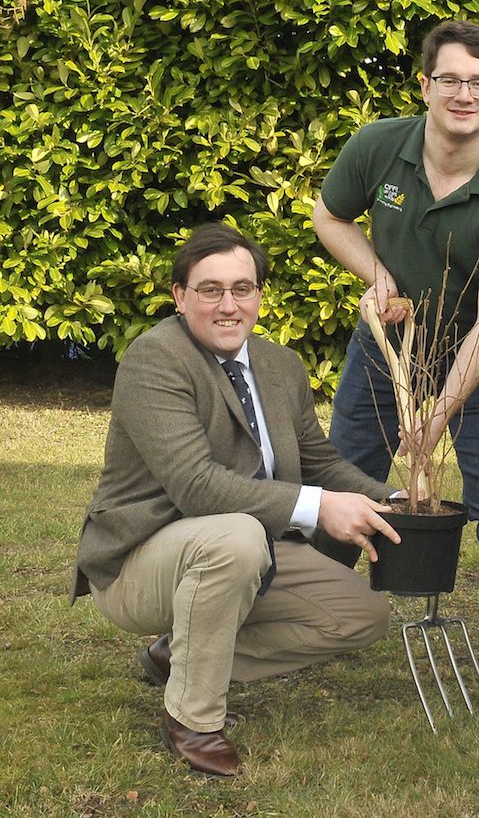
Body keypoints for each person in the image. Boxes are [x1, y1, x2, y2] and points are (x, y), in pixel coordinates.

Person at [69, 223, 402, 777]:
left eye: (243, 289)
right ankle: (193, 719)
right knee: (239, 535)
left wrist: (392, 496)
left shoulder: (279, 365)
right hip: (139, 562)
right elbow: (198, 486)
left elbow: (320, 461)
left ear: (259, 296)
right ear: (179, 297)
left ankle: (177, 657)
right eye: (210, 290)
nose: (229, 305)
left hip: (244, 553)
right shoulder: (155, 360)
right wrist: (319, 508)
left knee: (359, 616)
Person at [312, 21, 479, 717]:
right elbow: (329, 217)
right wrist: (380, 277)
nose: (465, 93)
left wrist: (439, 410)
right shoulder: (377, 145)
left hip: (477, 354)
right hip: (386, 344)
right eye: (451, 79)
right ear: (425, 85)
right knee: (339, 474)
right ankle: (289, 611)